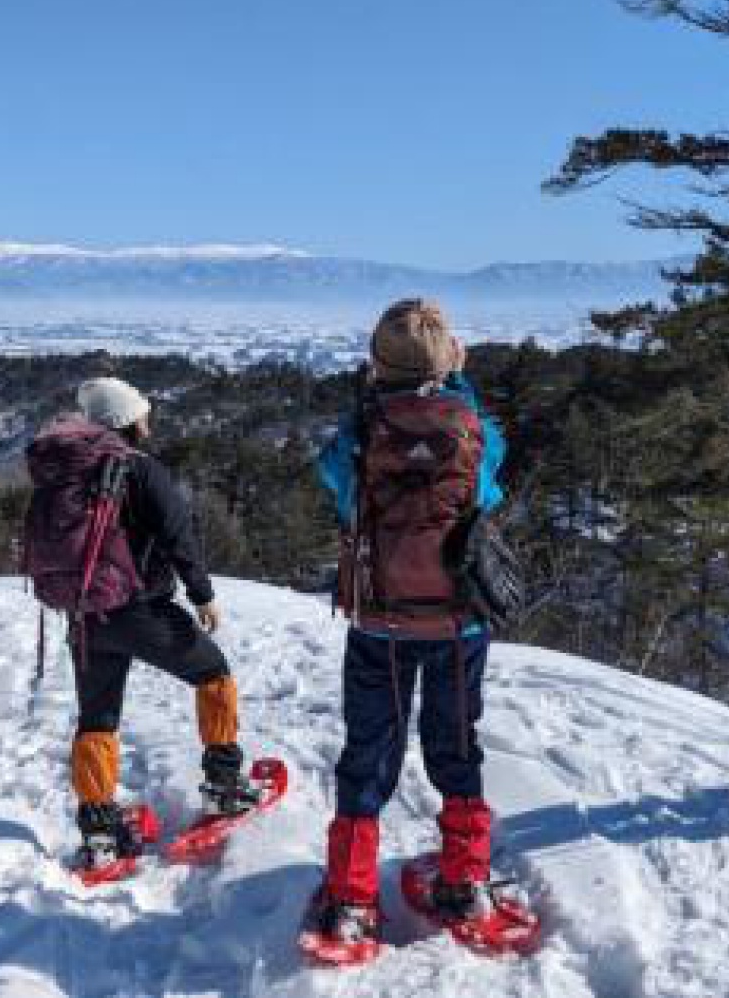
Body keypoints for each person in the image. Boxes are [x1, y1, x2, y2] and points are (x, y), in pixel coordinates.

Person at [309, 298, 508, 942]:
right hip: (459, 623)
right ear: (449, 356)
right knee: (456, 746)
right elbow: (490, 489)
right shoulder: (474, 423)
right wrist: (459, 388)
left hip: (380, 620)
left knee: (368, 752)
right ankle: (465, 881)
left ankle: (352, 897)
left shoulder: (361, 431)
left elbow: (336, 486)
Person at [28, 376, 260, 869]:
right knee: (213, 675)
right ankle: (224, 786)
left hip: (86, 618)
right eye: (143, 414)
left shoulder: (70, 470)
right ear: (129, 421)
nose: (149, 421)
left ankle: (99, 832)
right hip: (142, 612)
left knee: (97, 719)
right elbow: (178, 533)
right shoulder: (140, 468)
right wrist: (202, 594)